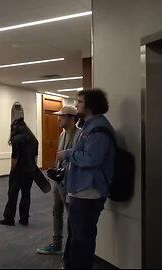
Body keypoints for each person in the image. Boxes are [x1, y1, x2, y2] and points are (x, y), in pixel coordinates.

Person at [56, 89, 115, 269]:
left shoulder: (99, 129)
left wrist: (68, 154)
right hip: (80, 190)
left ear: (90, 105)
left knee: (82, 239)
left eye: (79, 102)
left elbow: (92, 158)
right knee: (75, 234)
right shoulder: (89, 126)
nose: (76, 105)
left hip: (89, 192)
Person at [37, 106, 82, 255]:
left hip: (70, 182)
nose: (59, 119)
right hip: (58, 180)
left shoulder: (80, 135)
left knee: (72, 215)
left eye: (62, 117)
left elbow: (79, 158)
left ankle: (72, 246)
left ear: (70, 118)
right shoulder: (62, 134)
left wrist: (66, 157)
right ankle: (57, 243)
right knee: (56, 211)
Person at [0, 118, 39, 226]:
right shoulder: (34, 139)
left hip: (18, 171)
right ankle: (24, 218)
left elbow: (15, 159)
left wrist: (11, 171)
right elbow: (35, 158)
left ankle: (9, 218)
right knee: (26, 194)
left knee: (12, 194)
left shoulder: (16, 139)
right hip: (30, 170)